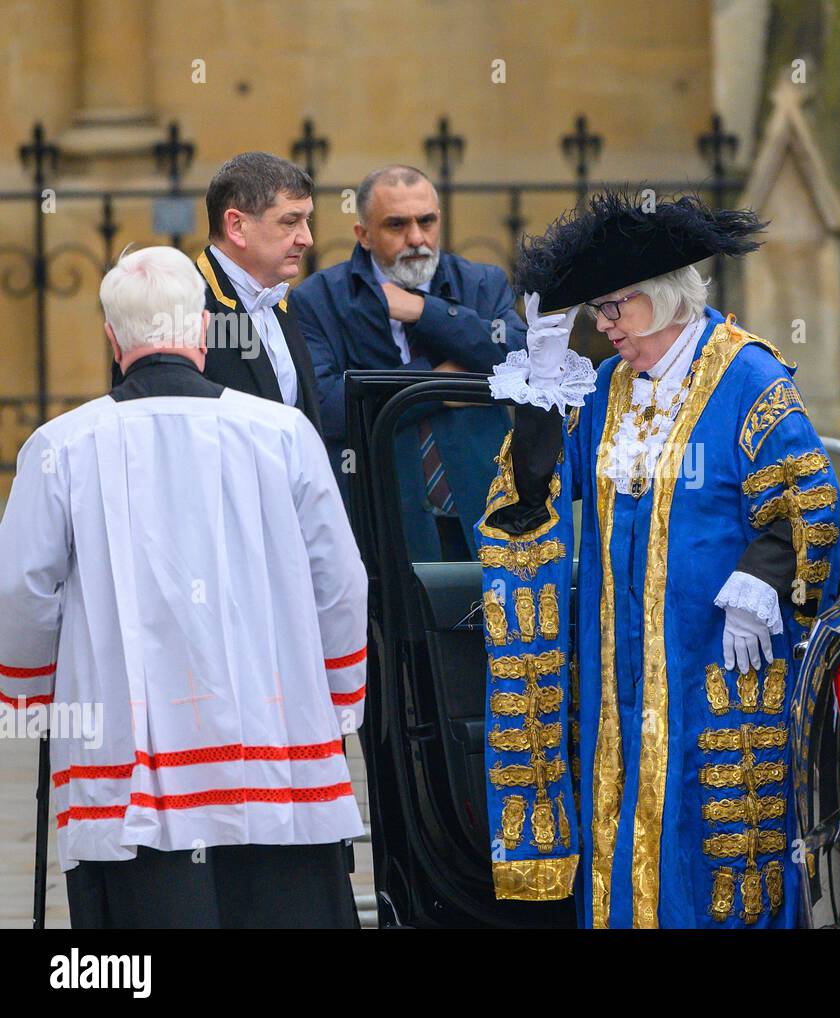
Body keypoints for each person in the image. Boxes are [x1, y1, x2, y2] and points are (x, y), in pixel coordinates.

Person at [476, 190, 840, 928]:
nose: (605, 327)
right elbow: (530, 497)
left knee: (713, 845)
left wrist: (760, 578)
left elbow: (810, 501)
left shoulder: (750, 378)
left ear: (668, 296)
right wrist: (542, 389)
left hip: (716, 664)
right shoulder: (605, 389)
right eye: (596, 312)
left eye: (616, 308)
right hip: (617, 679)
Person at [0, 246, 369, 928]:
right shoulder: (283, 434)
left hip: (131, 765)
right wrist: (341, 698)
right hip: (276, 746)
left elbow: (22, 594)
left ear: (113, 339)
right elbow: (341, 582)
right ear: (203, 331)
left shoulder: (60, 447)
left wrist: (28, 704)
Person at [291, 164, 525, 559]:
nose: (416, 238)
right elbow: (329, 408)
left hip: (483, 512)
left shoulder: (482, 283)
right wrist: (436, 386)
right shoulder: (318, 299)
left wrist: (424, 312)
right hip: (379, 520)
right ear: (363, 235)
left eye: (427, 221)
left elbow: (521, 366)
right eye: (396, 225)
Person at [196, 151, 324, 432]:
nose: (307, 239)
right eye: (290, 222)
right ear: (237, 226)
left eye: (307, 221)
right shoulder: (184, 308)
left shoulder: (280, 302)